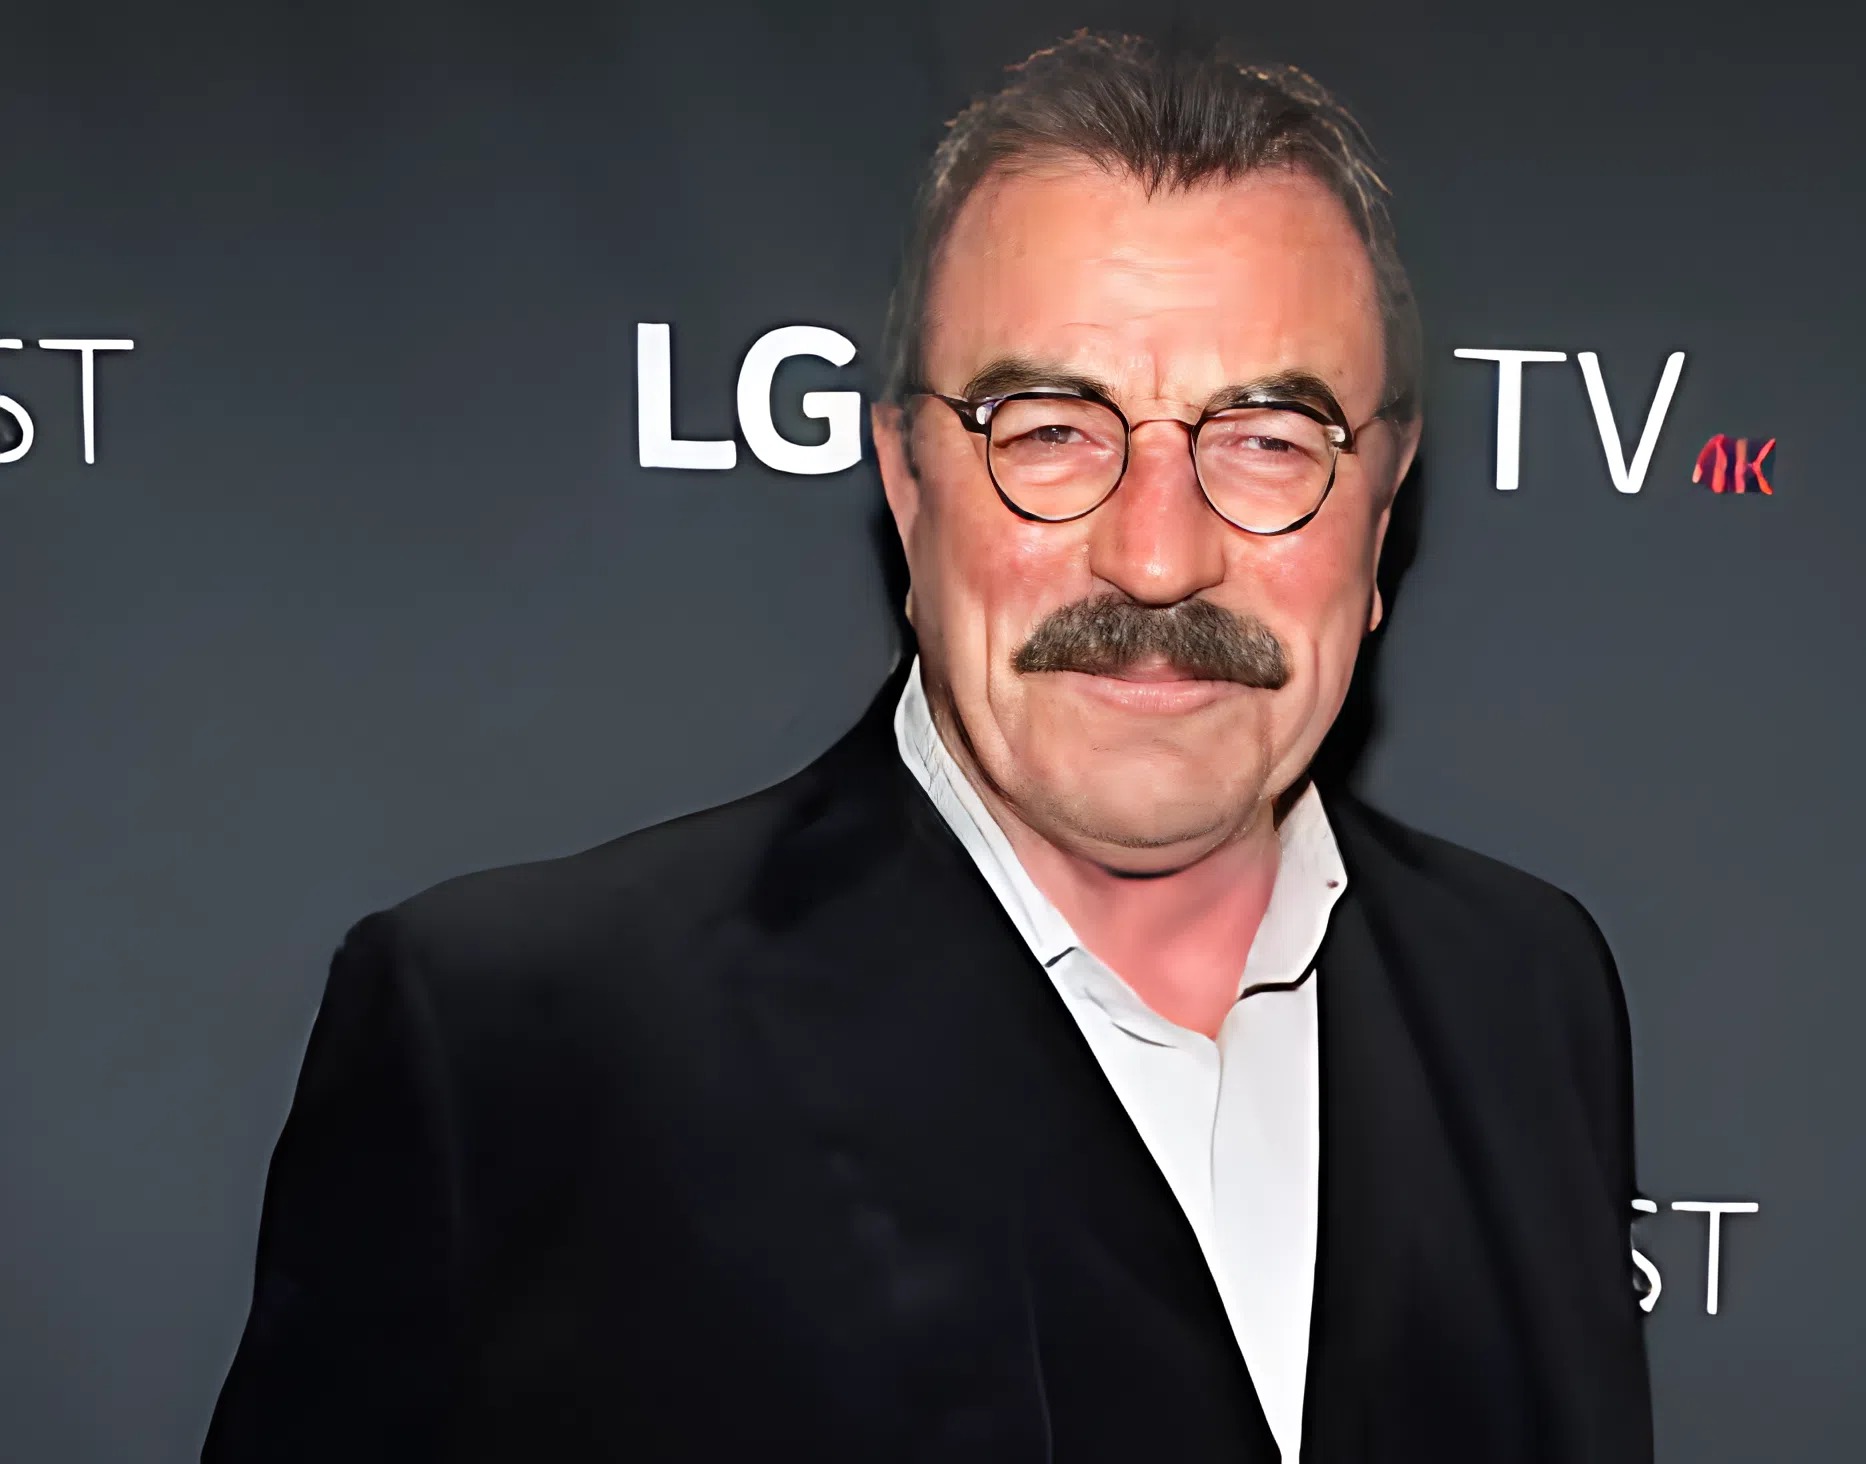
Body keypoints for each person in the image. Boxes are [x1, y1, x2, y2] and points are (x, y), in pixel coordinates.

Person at [204, 32, 1651, 1464]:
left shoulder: (1525, 993)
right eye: (1051, 431)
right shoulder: (517, 1052)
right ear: (905, 481)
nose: (1158, 557)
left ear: (1382, 507)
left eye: (1269, 438)